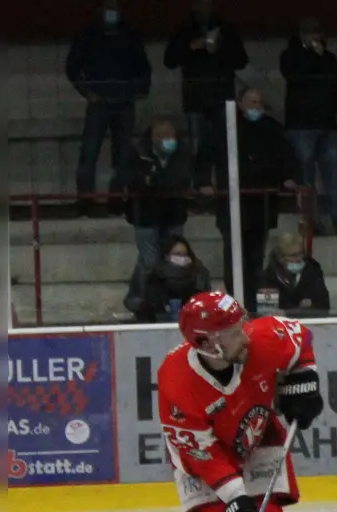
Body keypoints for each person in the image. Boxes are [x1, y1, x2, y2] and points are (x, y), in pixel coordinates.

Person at [157, 291, 327, 512]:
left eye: (240, 325)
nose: (244, 335)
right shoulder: (176, 380)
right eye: (232, 332)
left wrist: (305, 381)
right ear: (205, 343)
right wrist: (235, 499)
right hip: (201, 457)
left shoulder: (263, 339)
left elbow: (301, 339)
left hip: (256, 436)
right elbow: (201, 453)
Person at [203, 87, 296, 314]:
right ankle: (235, 301)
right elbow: (205, 156)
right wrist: (203, 181)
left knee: (256, 256)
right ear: (240, 103)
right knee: (234, 254)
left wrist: (289, 177)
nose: (256, 106)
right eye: (251, 102)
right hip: (233, 203)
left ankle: (252, 302)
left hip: (261, 203)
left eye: (259, 102)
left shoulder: (272, 128)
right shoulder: (223, 128)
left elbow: (287, 157)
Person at [65, 0, 151, 217]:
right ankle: (85, 201)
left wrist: (140, 89)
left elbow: (143, 66)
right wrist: (87, 92)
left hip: (124, 102)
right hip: (100, 102)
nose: (111, 12)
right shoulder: (88, 35)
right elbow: (73, 67)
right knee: (89, 152)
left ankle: (116, 200)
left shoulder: (130, 35)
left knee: (123, 155)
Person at [280, 17, 337, 236]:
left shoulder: (329, 58)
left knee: (333, 175)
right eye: (310, 33)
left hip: (327, 124)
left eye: (317, 33)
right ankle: (311, 222)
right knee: (306, 178)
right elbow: (295, 77)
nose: (315, 37)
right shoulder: (290, 56)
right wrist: (315, 56)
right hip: (301, 125)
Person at [163, 0, 248, 171]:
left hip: (222, 98)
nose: (203, 8)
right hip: (195, 98)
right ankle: (201, 189)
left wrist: (219, 49)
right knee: (198, 149)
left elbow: (241, 61)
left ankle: (225, 190)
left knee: (226, 148)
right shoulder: (184, 30)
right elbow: (169, 60)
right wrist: (191, 48)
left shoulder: (227, 30)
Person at [122, 117, 195, 312]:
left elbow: (183, 178)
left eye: (171, 135)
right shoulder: (138, 153)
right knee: (149, 261)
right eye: (163, 136)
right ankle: (146, 303)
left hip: (174, 214)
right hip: (146, 216)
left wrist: (157, 181)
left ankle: (142, 298)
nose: (169, 140)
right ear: (153, 138)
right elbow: (130, 179)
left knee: (171, 261)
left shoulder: (183, 152)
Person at [135, 234, 211, 323]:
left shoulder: (199, 275)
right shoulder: (155, 278)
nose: (181, 258)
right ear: (166, 256)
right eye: (177, 254)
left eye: (185, 254)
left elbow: (206, 308)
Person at [261, 230, 331, 314]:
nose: (299, 259)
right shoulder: (268, 277)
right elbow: (267, 312)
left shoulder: (313, 270)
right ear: (280, 258)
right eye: (293, 255)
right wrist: (300, 309)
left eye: (301, 254)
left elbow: (324, 305)